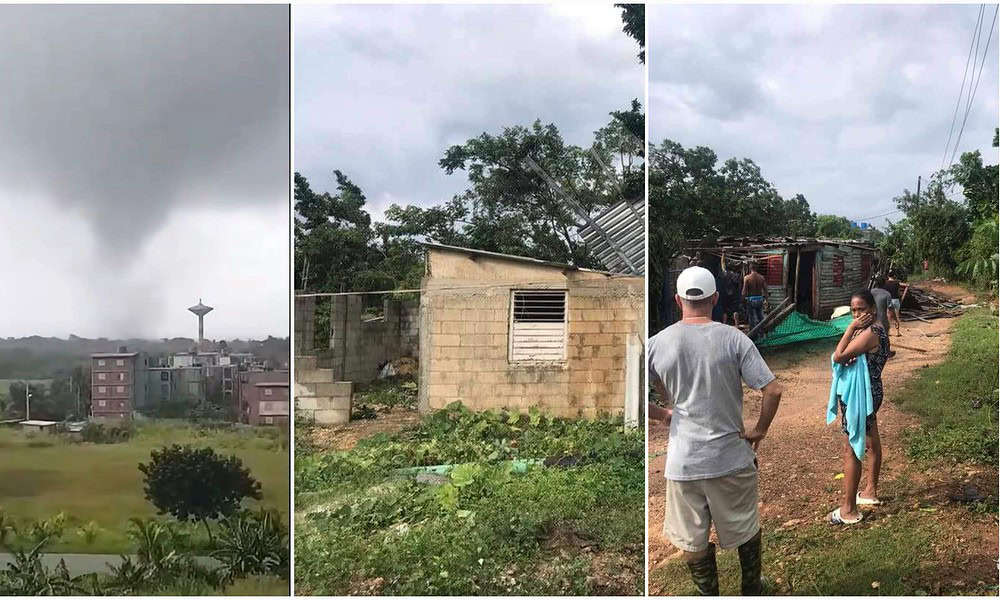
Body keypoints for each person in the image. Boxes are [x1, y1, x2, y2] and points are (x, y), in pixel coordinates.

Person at [648, 266, 783, 596]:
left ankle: (708, 592)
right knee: (745, 526)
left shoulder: (656, 343)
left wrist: (664, 414)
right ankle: (752, 587)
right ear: (716, 299)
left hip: (683, 462)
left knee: (691, 537)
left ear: (678, 301)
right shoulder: (734, 338)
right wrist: (759, 431)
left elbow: (629, 396)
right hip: (730, 457)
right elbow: (773, 390)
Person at [828, 289, 890, 524]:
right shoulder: (877, 329)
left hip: (861, 396)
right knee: (871, 440)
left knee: (852, 447)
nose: (856, 314)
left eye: (861, 309)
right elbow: (853, 355)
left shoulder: (869, 332)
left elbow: (838, 356)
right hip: (871, 392)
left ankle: (849, 510)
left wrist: (850, 329)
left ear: (872, 309)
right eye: (853, 310)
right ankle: (870, 491)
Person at [870, 278, 894, 358]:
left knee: (872, 335)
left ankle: (873, 353)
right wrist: (894, 320)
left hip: (871, 319)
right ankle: (887, 352)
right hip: (882, 319)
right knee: (885, 336)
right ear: (884, 284)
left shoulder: (870, 292)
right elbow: (890, 308)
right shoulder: (886, 294)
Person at [743, 262, 767, 331]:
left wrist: (742, 300)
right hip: (760, 299)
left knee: (752, 318)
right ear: (757, 268)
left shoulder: (747, 278)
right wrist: (766, 300)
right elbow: (765, 290)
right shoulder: (761, 277)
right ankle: (762, 332)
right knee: (760, 317)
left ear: (750, 268)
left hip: (751, 300)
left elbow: (744, 291)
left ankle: (753, 335)